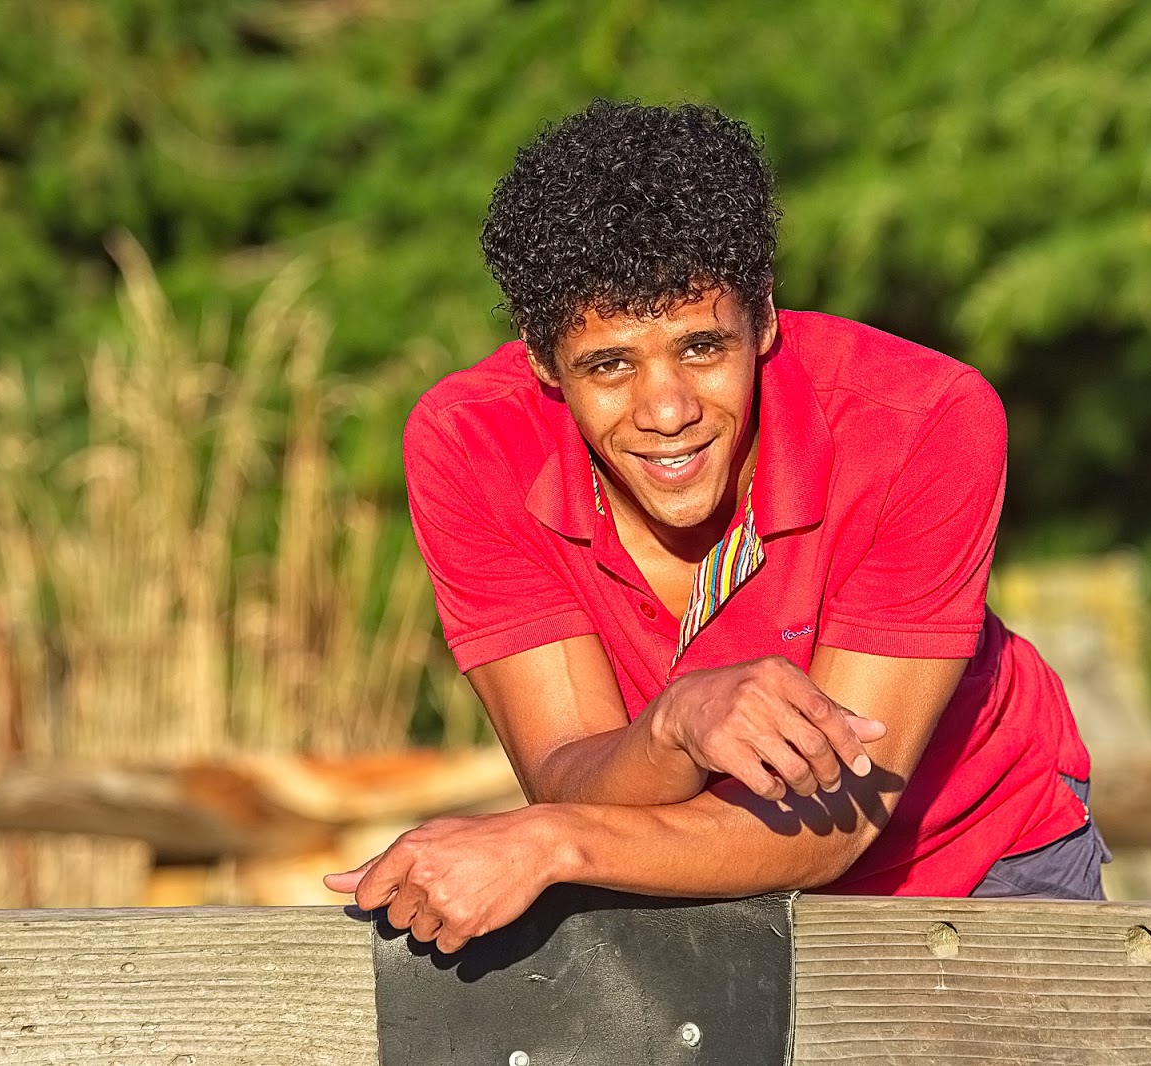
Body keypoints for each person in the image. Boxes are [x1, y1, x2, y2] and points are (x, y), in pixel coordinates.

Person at [325, 100, 1106, 953]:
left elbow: (835, 822)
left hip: (971, 854)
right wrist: (673, 728)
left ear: (762, 317)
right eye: (610, 365)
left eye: (702, 348)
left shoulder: (926, 422)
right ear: (542, 359)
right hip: (671, 864)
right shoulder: (469, 445)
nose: (668, 411)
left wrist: (553, 842)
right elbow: (567, 771)